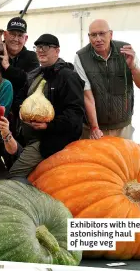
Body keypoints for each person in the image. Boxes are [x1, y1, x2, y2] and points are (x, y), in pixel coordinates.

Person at [10, 34, 85, 179]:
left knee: (14, 176)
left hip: (48, 142)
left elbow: (75, 114)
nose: (41, 50)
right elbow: (19, 99)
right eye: (38, 47)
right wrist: (22, 111)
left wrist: (48, 126)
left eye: (46, 47)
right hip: (26, 139)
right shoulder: (34, 75)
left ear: (57, 51)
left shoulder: (68, 77)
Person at [74, 19, 140, 140]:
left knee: (123, 158)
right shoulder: (81, 57)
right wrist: (94, 127)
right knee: (94, 159)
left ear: (111, 34)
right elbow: (87, 96)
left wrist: (132, 67)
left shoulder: (126, 51)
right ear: (89, 37)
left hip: (123, 127)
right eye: (93, 35)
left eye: (102, 33)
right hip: (93, 129)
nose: (98, 39)